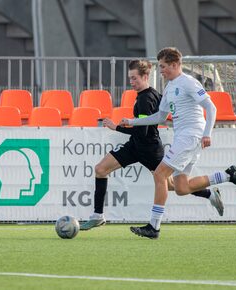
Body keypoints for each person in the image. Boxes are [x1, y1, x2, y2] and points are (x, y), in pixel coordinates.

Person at [80, 59, 225, 231]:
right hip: (135, 146)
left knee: (172, 185)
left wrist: (116, 127)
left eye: (135, 78)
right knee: (100, 169)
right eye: (130, 78)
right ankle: (97, 216)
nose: (131, 82)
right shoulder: (152, 94)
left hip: (149, 149)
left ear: (145, 76)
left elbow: (143, 131)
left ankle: (209, 194)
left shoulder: (146, 100)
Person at [120, 47, 236, 239]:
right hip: (184, 137)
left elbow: (210, 107)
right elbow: (160, 117)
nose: (160, 70)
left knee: (160, 174)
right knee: (181, 188)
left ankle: (154, 227)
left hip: (191, 135)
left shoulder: (188, 82)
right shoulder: (170, 87)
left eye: (163, 66)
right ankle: (227, 176)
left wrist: (207, 134)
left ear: (175, 65)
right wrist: (132, 121)